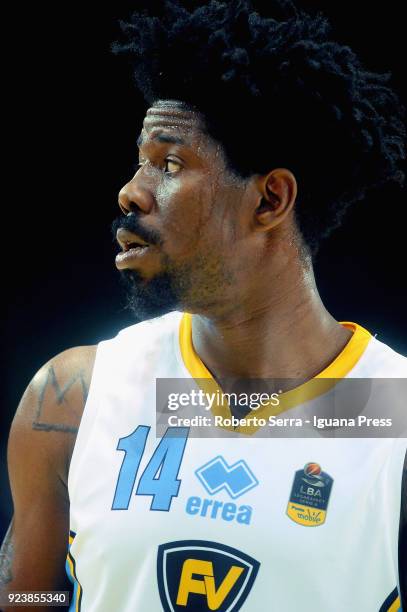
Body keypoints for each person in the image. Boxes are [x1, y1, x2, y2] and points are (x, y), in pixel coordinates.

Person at [1, 1, 406, 610]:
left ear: (270, 200)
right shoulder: (72, 395)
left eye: (169, 163)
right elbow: (28, 600)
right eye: (139, 161)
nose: (131, 191)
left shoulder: (392, 413)